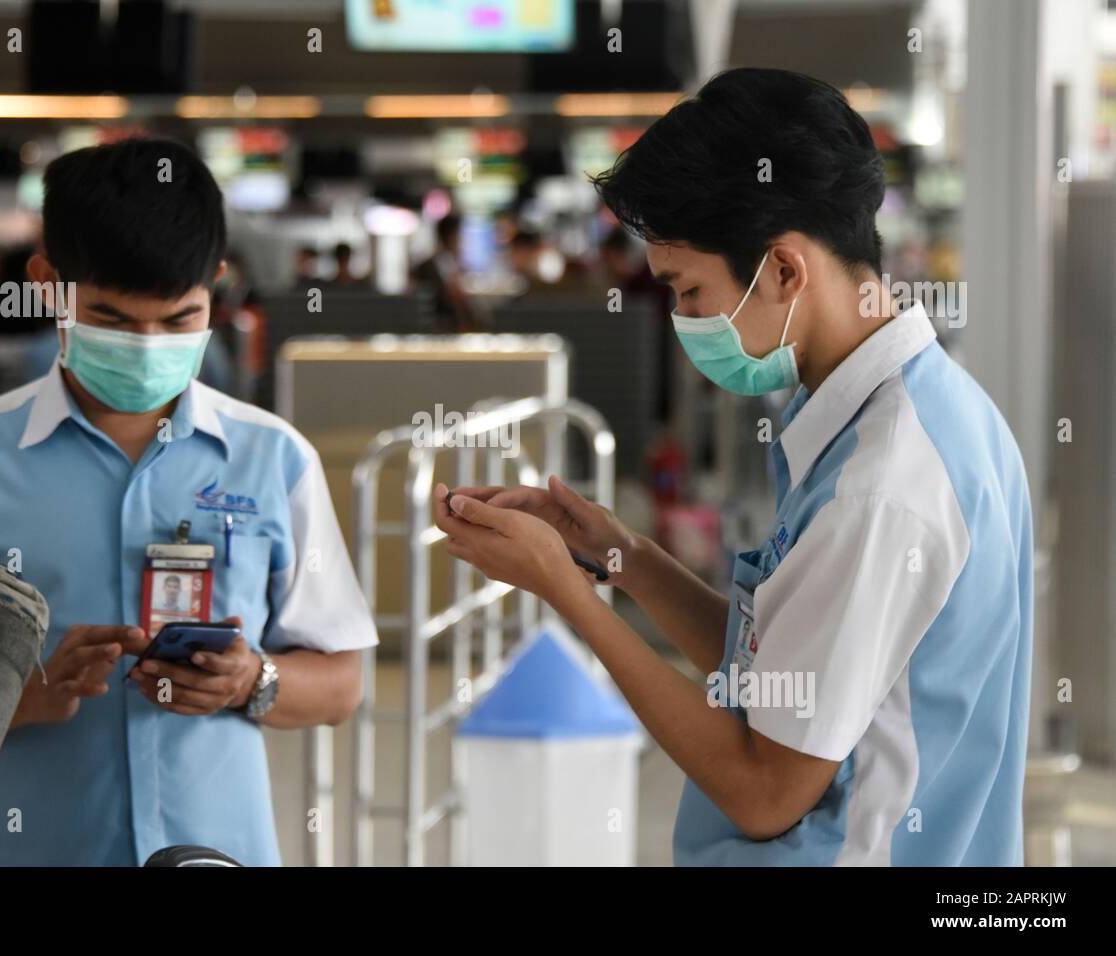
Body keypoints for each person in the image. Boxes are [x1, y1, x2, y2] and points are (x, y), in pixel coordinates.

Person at [432, 68, 1033, 866]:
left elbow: (763, 792)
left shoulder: (881, 485)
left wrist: (568, 595)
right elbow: (776, 675)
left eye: (687, 291)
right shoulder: (902, 413)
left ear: (784, 270)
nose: (683, 321)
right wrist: (622, 557)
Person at [0, 137, 377, 866]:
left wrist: (251, 681)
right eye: (110, 319)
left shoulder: (274, 460)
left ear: (217, 285)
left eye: (177, 321)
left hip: (215, 854)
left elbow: (341, 686)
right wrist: (24, 698)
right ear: (47, 284)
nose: (147, 346)